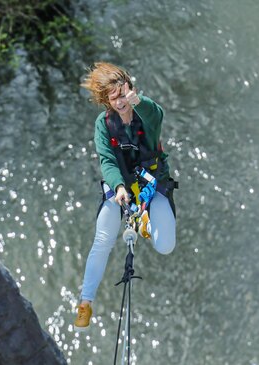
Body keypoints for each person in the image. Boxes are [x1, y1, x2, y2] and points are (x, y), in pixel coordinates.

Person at [73, 62, 177, 332]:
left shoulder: (145, 111)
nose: (121, 102)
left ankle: (143, 222)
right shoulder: (103, 124)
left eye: (123, 93)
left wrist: (138, 101)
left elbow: (157, 115)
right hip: (121, 185)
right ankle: (85, 302)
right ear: (106, 101)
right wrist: (118, 186)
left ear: (131, 88)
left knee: (165, 245)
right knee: (103, 240)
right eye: (114, 98)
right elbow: (107, 160)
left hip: (152, 182)